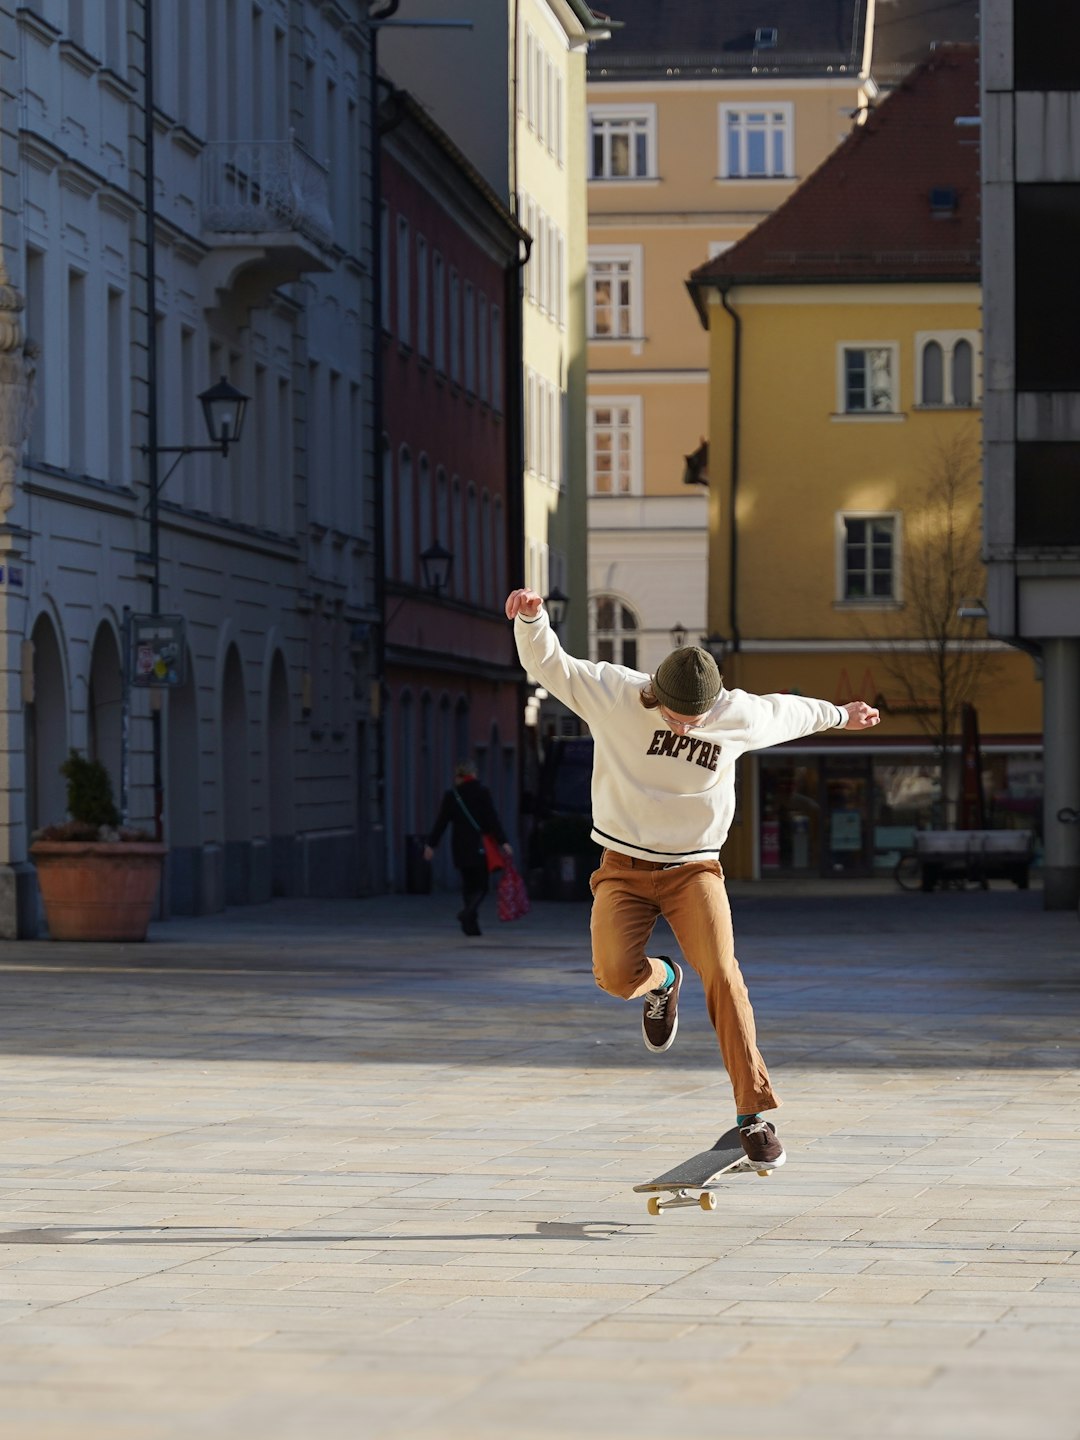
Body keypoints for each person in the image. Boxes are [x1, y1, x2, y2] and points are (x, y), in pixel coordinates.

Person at [505, 587, 880, 1169]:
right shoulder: (615, 692)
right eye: (679, 717)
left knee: (725, 976)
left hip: (694, 870)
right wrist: (532, 620)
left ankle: (753, 1115)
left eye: (697, 719)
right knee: (611, 974)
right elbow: (550, 664)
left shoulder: (738, 713)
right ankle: (661, 982)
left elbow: (796, 711)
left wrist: (843, 714)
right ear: (655, 695)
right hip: (623, 870)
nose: (687, 727)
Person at [424, 760, 512, 936]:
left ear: (459, 777)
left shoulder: (452, 795)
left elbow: (442, 822)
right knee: (482, 885)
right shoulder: (482, 793)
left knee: (468, 885)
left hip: (460, 845)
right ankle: (467, 914)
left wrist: (431, 844)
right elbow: (492, 819)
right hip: (480, 845)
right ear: (473, 774)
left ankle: (471, 925)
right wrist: (503, 842)